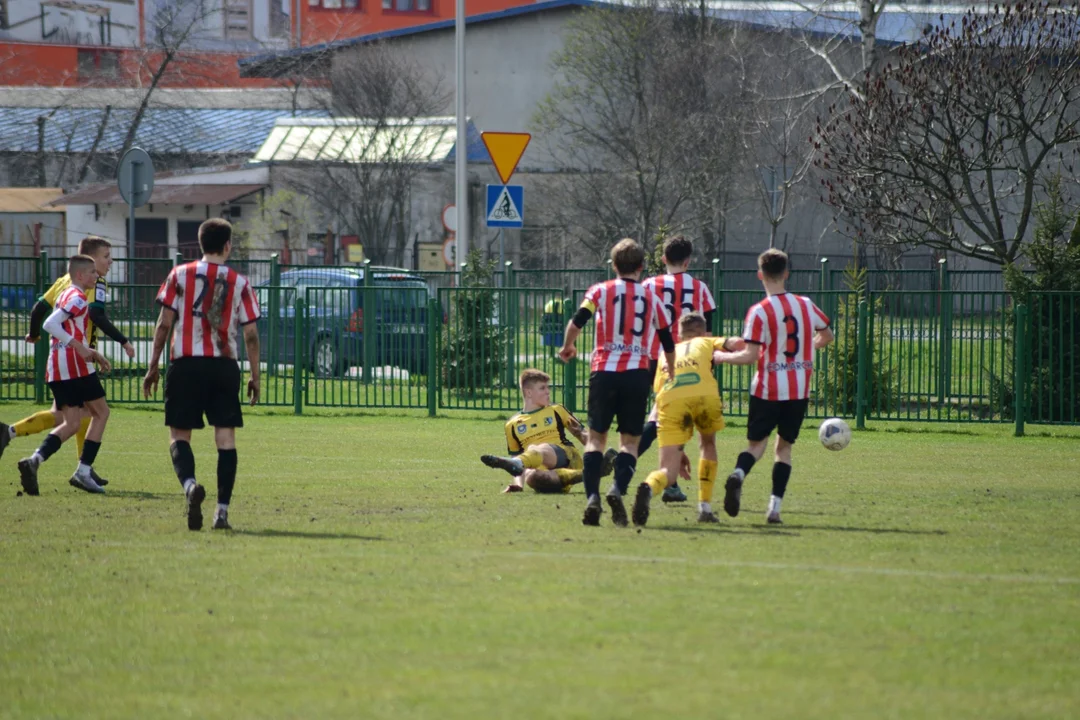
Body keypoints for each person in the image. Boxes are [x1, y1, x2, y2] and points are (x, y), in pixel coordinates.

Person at [142, 218, 261, 531]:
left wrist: (153, 365)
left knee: (179, 435)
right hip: (223, 365)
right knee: (225, 437)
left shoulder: (179, 274)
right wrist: (256, 376)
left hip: (186, 364)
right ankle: (221, 512)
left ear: (199, 244)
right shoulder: (240, 282)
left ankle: (191, 486)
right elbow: (250, 334)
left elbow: (164, 323)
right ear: (227, 246)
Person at [558, 238, 676, 527]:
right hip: (637, 375)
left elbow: (577, 320)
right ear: (640, 267)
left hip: (604, 373)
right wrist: (671, 372)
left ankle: (592, 499)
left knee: (596, 440)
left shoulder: (599, 290)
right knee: (630, 443)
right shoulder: (653, 298)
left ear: (613, 266)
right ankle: (617, 489)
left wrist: (567, 347)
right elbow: (667, 340)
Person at [0, 237, 135, 484]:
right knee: (93, 414)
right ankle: (82, 468)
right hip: (78, 358)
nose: (109, 262)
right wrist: (122, 341)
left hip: (59, 358)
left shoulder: (64, 280)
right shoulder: (93, 283)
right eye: (106, 257)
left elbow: (40, 308)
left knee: (72, 417)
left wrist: (34, 333)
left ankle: (28, 448)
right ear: (89, 266)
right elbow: (96, 314)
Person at [713, 249, 834, 524]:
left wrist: (721, 357)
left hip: (767, 389)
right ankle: (774, 508)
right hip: (799, 388)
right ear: (787, 274)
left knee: (756, 446)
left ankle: (738, 475)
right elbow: (827, 335)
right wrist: (807, 348)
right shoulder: (805, 304)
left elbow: (750, 355)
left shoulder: (759, 311)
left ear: (760, 275)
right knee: (784, 449)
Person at [629, 312, 742, 526]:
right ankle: (705, 508)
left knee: (668, 473)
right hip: (703, 395)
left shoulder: (666, 353)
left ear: (680, 335)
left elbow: (659, 392)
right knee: (707, 444)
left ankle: (650, 486)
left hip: (671, 400)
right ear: (702, 332)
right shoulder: (707, 341)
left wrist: (677, 448)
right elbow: (736, 343)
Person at [15, 255, 113, 495]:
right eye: (91, 272)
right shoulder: (78, 297)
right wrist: (79, 348)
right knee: (102, 412)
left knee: (71, 423)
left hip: (57, 367)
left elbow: (65, 329)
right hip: (75, 367)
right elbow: (50, 323)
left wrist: (91, 352)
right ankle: (83, 471)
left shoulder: (63, 295)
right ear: (79, 275)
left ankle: (34, 461)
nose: (96, 276)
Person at [638, 234, 717, 504]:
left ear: (663, 260)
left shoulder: (648, 285)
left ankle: (632, 461)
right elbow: (708, 332)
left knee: (661, 415)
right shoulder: (700, 288)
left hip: (654, 357)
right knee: (675, 418)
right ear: (688, 261)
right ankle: (640, 467)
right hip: (687, 359)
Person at [480, 368, 613, 493]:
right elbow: (515, 459)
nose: (548, 391)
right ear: (528, 392)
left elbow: (587, 438)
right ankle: (593, 473)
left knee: (535, 448)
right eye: (542, 388)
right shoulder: (512, 424)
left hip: (568, 457)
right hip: (558, 477)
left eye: (547, 387)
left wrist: (581, 434)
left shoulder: (556, 410)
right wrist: (518, 485)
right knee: (532, 477)